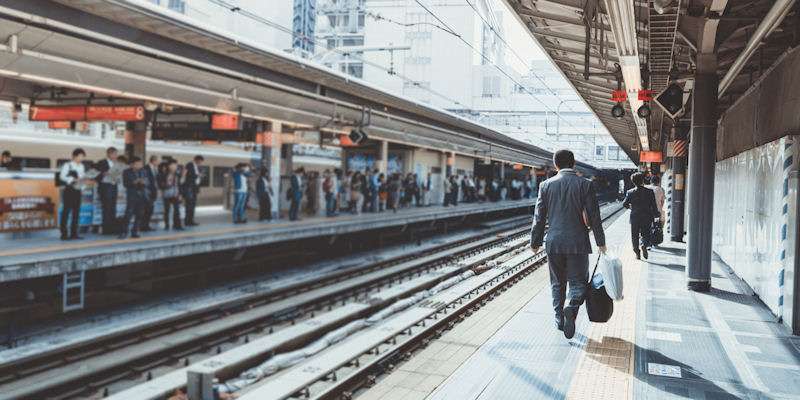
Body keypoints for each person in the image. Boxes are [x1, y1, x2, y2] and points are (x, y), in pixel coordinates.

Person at [530, 149, 606, 339]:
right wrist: (601, 242)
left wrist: (535, 242)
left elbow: (539, 217)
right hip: (578, 242)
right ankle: (571, 308)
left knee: (557, 282)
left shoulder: (545, 185)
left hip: (554, 242)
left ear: (556, 165)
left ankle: (559, 319)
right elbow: (594, 216)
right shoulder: (585, 184)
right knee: (578, 281)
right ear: (573, 164)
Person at [623, 172, 660, 260]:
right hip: (647, 216)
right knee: (646, 234)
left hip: (635, 217)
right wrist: (656, 215)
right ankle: (644, 245)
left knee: (634, 235)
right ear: (643, 180)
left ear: (633, 182)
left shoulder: (630, 192)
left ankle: (637, 252)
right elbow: (654, 205)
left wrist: (631, 208)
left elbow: (624, 204)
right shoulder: (650, 192)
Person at [58, 148, 87, 240]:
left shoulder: (82, 166)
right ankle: (64, 234)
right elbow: (62, 176)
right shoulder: (67, 165)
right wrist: (72, 179)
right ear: (74, 156)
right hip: (69, 190)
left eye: (83, 157)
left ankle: (74, 233)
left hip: (78, 190)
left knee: (76, 212)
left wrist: (83, 185)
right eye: (80, 156)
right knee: (66, 212)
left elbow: (82, 177)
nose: (82, 158)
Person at [119, 156, 147, 239]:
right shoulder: (126, 172)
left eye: (141, 164)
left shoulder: (143, 171)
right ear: (132, 164)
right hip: (132, 195)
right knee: (128, 214)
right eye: (138, 164)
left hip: (141, 194)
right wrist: (135, 182)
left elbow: (147, 181)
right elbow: (125, 184)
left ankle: (135, 231)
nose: (140, 165)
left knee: (139, 214)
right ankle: (124, 232)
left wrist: (143, 182)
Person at [95, 147, 119, 235]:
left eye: (116, 154)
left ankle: (113, 228)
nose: (116, 156)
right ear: (109, 154)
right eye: (114, 154)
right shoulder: (101, 163)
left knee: (113, 208)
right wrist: (104, 174)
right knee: (106, 209)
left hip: (114, 187)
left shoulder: (116, 163)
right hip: (105, 188)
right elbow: (96, 175)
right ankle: (106, 229)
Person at [158, 159, 183, 230]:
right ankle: (167, 225)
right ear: (169, 166)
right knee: (167, 210)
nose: (175, 167)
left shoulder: (177, 174)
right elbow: (160, 185)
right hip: (167, 194)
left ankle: (177, 225)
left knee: (177, 210)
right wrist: (167, 185)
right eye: (173, 165)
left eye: (176, 165)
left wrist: (180, 194)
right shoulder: (163, 174)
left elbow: (180, 185)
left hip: (175, 194)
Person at [183, 155, 204, 227]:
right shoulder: (189, 165)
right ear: (197, 160)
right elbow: (187, 174)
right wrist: (198, 175)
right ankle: (187, 221)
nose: (201, 163)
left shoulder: (198, 167)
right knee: (189, 205)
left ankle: (191, 220)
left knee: (193, 205)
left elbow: (197, 177)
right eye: (200, 161)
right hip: (189, 188)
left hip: (195, 188)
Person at [141, 155, 159, 232]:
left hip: (153, 192)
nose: (158, 162)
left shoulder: (155, 169)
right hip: (147, 192)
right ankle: (143, 225)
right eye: (157, 161)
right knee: (146, 209)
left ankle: (146, 225)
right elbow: (145, 180)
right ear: (153, 161)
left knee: (150, 209)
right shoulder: (146, 168)